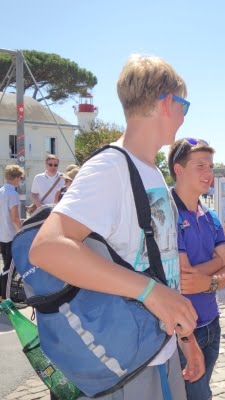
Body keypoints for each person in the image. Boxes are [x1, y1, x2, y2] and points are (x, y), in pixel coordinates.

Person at [29, 54, 204, 400]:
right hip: (124, 367)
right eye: (184, 105)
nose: (185, 116)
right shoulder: (109, 168)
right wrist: (149, 292)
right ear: (167, 103)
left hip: (159, 353)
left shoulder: (152, 171)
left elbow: (159, 266)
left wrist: (186, 340)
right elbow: (46, 248)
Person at [169, 138, 225, 400]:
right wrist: (218, 266)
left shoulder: (211, 215)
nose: (209, 174)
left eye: (211, 166)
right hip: (183, 331)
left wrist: (210, 281)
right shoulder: (168, 214)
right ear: (178, 169)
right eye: (200, 166)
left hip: (211, 324)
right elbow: (184, 278)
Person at [0, 165, 24, 300]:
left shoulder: (1, 191)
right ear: (16, 178)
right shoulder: (13, 194)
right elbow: (15, 218)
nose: (20, 180)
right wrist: (21, 233)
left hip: (2, 234)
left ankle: (2, 296)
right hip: (11, 236)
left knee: (6, 266)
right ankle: (5, 297)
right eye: (21, 178)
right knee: (10, 269)